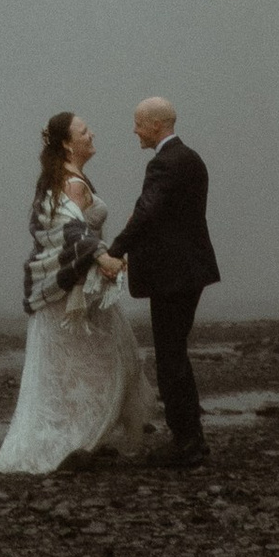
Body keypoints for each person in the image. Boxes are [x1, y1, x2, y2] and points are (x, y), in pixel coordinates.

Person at [0, 110, 159, 475]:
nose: (91, 134)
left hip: (76, 291)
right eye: (84, 131)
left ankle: (84, 438)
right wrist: (102, 255)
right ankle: (77, 440)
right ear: (68, 143)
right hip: (72, 295)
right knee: (101, 364)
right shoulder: (71, 185)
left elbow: (73, 230)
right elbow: (72, 233)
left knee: (95, 364)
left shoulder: (69, 179)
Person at [98, 95, 219, 466]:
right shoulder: (192, 159)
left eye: (137, 123)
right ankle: (191, 438)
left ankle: (186, 443)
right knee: (175, 354)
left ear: (156, 125)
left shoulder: (164, 165)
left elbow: (148, 212)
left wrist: (116, 250)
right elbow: (170, 220)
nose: (134, 130)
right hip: (188, 271)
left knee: (170, 359)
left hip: (174, 276)